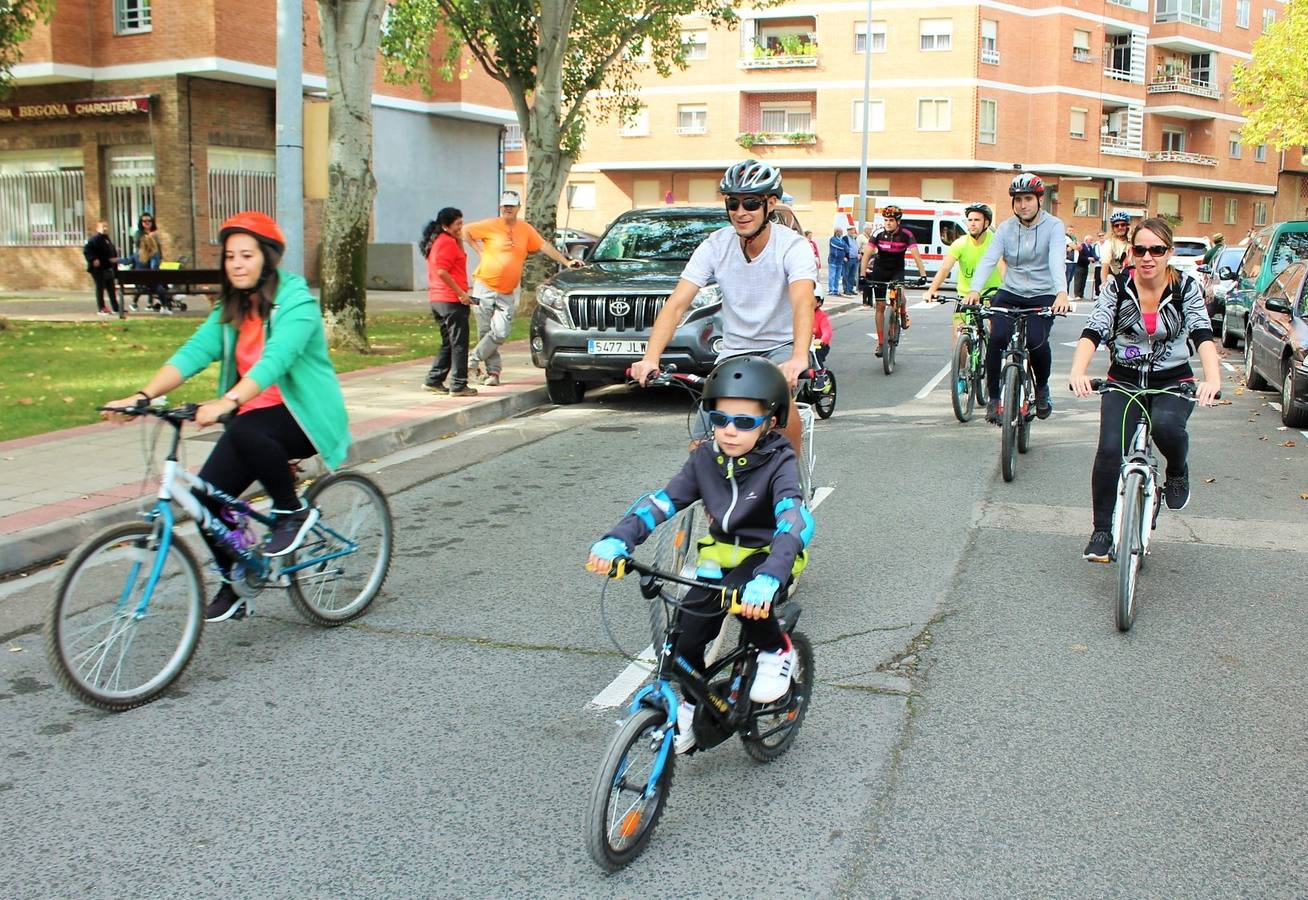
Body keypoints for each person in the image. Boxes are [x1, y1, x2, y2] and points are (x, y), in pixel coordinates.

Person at [100, 212, 351, 623]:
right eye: (230, 255)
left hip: (304, 417)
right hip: (252, 418)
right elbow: (192, 353)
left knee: (246, 426)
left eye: (246, 255)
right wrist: (142, 396)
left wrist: (228, 401)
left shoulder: (297, 303)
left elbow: (276, 360)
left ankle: (293, 511)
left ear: (267, 259)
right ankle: (237, 577)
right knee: (204, 498)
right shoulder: (232, 308)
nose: (236, 263)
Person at [585, 356, 813, 754]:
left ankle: (778, 651)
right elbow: (661, 503)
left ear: (770, 422)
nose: (729, 431)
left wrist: (772, 575)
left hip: (769, 556)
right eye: (720, 418)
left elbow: (793, 521)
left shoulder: (781, 462)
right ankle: (691, 704)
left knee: (747, 601)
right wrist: (618, 540)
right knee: (685, 636)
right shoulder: (704, 459)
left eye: (745, 422)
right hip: (719, 557)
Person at [630, 160, 816, 452]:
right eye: (733, 203)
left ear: (771, 203)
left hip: (782, 347)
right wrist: (650, 358)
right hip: (734, 353)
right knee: (701, 445)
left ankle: (790, 488)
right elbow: (677, 304)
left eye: (751, 203)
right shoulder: (715, 245)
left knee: (782, 406)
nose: (741, 212)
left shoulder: (793, 246)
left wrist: (798, 357)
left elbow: (802, 301)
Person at [1068, 217, 1221, 563]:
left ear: (1169, 252)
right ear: (1131, 252)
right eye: (1140, 249)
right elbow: (1094, 330)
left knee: (1167, 427)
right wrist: (1079, 372)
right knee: (1110, 449)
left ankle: (1178, 470)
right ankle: (1102, 530)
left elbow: (1201, 334)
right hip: (1124, 379)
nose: (1148, 257)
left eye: (1157, 249)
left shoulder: (1185, 288)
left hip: (1172, 380)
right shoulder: (1118, 288)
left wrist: (1213, 379)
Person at [968, 172, 1072, 423]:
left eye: (1028, 198)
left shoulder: (1054, 226)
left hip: (1044, 293)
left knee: (1036, 341)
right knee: (996, 339)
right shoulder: (1005, 228)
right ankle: (994, 399)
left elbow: (1056, 260)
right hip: (1011, 291)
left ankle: (1042, 388)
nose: (1023, 205)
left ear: (1039, 199)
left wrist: (1061, 292)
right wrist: (975, 289)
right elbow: (989, 260)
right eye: (1018, 200)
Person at [464, 190, 583, 386]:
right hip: (484, 286)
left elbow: (544, 246)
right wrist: (479, 250)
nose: (508, 209)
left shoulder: (525, 229)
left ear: (519, 208)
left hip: (507, 290)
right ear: (500, 207)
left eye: (511, 206)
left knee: (500, 332)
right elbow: (465, 231)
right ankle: (493, 373)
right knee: (485, 331)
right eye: (505, 206)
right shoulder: (490, 225)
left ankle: (471, 360)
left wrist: (566, 261)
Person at [924, 202, 1002, 342]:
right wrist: (931, 290)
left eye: (977, 220)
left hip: (991, 293)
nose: (972, 224)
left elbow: (1004, 266)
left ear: (986, 223)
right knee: (958, 333)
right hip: (965, 295)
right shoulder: (960, 243)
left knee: (996, 332)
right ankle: (960, 363)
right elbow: (945, 268)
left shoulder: (995, 242)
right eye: (970, 220)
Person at [421, 207, 478, 396]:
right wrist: (461, 293)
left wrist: (459, 238)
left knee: (448, 342)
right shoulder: (445, 243)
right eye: (457, 224)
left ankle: (434, 380)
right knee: (459, 343)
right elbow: (442, 271)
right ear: (445, 226)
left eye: (462, 222)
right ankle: (458, 384)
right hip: (450, 300)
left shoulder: (443, 241)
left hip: (439, 299)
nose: (461, 227)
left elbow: (458, 260)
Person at [860, 204, 927, 357]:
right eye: (886, 220)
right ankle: (881, 343)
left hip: (897, 269)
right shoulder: (877, 233)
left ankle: (903, 313)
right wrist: (863, 275)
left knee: (901, 296)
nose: (888, 223)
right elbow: (866, 255)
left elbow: (916, 255)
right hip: (880, 269)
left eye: (891, 220)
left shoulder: (906, 234)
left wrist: (923, 275)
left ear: (898, 221)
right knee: (880, 307)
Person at [82, 220, 120, 317]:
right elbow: (87, 250)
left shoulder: (107, 239)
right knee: (100, 288)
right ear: (98, 228)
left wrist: (114, 259)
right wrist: (93, 259)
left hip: (107, 268)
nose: (105, 228)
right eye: (103, 227)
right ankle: (101, 308)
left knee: (111, 289)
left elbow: (110, 251)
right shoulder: (95, 239)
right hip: (98, 269)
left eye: (106, 226)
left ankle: (116, 308)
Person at [131, 211, 164, 312]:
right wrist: (149, 237)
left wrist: (161, 257)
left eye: (149, 221)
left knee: (153, 280)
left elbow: (158, 247)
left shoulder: (155, 233)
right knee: (144, 283)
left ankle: (150, 303)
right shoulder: (138, 234)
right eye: (144, 221)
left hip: (154, 260)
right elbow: (138, 245)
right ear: (141, 223)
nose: (147, 223)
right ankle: (134, 302)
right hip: (143, 261)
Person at [1100, 211, 1133, 289]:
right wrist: (1104, 283)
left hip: (1134, 279)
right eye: (1116, 225)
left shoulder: (1134, 242)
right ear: (1113, 228)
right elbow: (1105, 265)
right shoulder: (1109, 243)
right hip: (1117, 280)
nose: (1120, 227)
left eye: (1123, 225)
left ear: (1127, 226)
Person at [1073, 234, 1098, 300]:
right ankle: (1077, 295)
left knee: (1083, 281)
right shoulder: (1082, 246)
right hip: (1079, 266)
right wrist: (1088, 258)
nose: (1091, 241)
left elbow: (1092, 255)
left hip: (1086, 266)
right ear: (1086, 240)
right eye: (1090, 240)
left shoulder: (1090, 247)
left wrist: (1094, 259)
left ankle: (1081, 294)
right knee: (1078, 281)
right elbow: (1080, 257)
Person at [812, 293, 832, 368]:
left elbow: (827, 332)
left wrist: (822, 340)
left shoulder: (822, 316)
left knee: (816, 354)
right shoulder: (799, 314)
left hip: (817, 346)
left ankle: (820, 374)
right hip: (801, 344)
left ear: (819, 302)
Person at [827, 226, 848, 296]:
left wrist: (844, 247)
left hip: (840, 261)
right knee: (832, 276)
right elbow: (839, 246)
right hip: (833, 260)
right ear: (836, 232)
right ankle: (831, 290)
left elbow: (847, 248)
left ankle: (836, 290)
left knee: (838, 277)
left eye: (842, 232)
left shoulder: (842, 240)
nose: (841, 233)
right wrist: (843, 247)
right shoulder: (832, 239)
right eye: (840, 232)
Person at [843, 227, 860, 295]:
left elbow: (856, 247)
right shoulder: (845, 238)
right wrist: (845, 256)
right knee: (846, 274)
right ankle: (846, 289)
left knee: (852, 275)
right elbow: (843, 247)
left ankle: (850, 289)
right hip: (848, 259)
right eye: (851, 230)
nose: (852, 231)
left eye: (853, 230)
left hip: (855, 259)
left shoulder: (854, 238)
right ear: (848, 231)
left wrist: (858, 253)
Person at [1092, 231, 1105, 298]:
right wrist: (1099, 259)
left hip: (1105, 264)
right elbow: (1093, 254)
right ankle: (1097, 293)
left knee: (1105, 279)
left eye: (1102, 235)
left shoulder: (1107, 244)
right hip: (1098, 264)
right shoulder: (1096, 245)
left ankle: (1105, 293)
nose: (1101, 237)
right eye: (1099, 236)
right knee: (1097, 279)